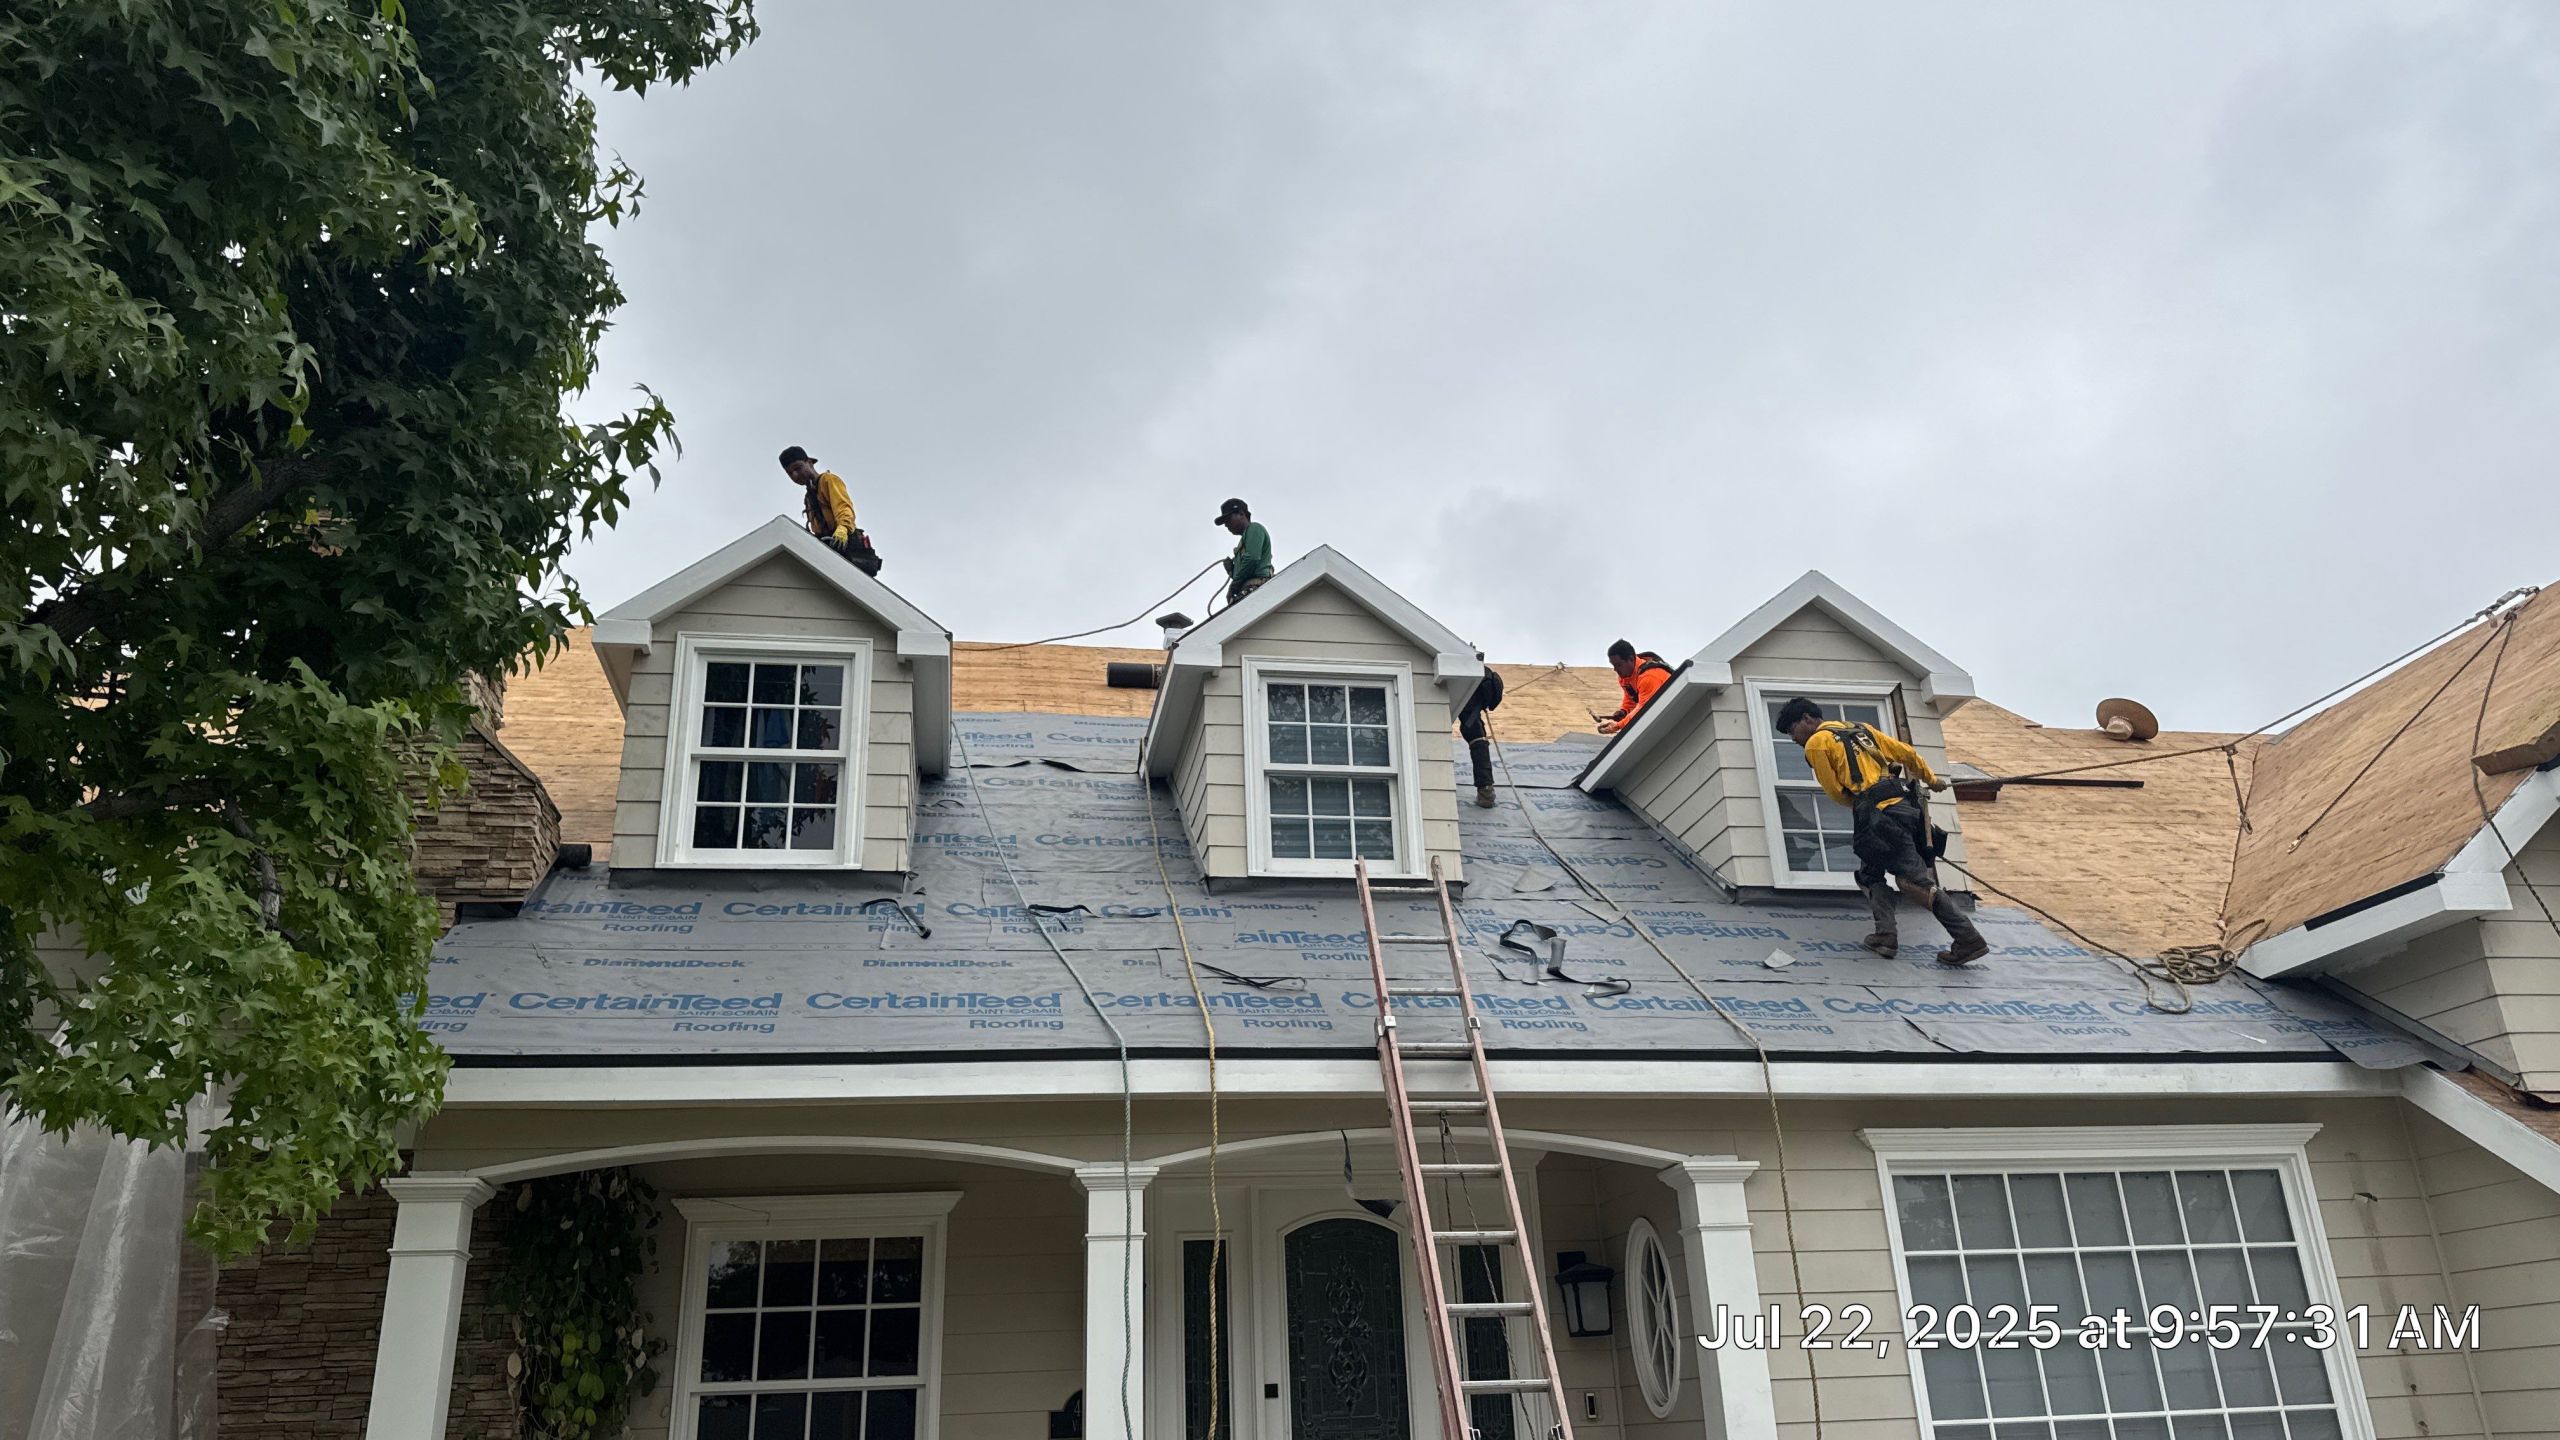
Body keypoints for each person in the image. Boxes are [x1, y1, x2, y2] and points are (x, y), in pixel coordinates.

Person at [1775, 696, 1990, 967]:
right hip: (1906, 811)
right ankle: (1885, 936)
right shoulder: (1862, 730)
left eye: (1792, 730)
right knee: (1869, 874)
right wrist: (1932, 781)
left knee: (1913, 883)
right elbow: (1908, 754)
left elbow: (1836, 793)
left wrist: (1862, 805)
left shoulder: (1817, 743)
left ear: (1807, 719)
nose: (1794, 739)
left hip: (1879, 817)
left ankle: (1968, 938)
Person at [780, 445, 880, 576]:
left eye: (798, 468)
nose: (795, 475)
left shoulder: (828, 480)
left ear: (809, 462)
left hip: (845, 545)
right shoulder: (809, 496)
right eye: (790, 473)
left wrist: (843, 527)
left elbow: (844, 506)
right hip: (828, 548)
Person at [1457, 659, 1506, 808]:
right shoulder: (1477, 678)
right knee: (1477, 737)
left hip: (1468, 696)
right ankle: (1486, 790)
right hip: (1468, 692)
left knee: (1477, 737)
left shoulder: (1474, 687)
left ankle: (1486, 790)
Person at [1597, 640, 1673, 734]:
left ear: (1631, 659)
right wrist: (1623, 712)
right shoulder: (1625, 677)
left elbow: (1642, 709)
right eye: (1613, 665)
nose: (1615, 670)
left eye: (1619, 665)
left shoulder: (1649, 677)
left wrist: (1617, 726)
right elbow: (1631, 700)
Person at [1213, 497, 1272, 605]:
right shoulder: (1244, 542)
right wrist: (1232, 571)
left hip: (1257, 585)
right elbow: (1244, 572)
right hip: (1247, 587)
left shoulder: (1254, 528)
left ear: (1241, 514)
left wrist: (1233, 585)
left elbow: (1252, 559)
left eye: (1228, 520)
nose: (1226, 525)